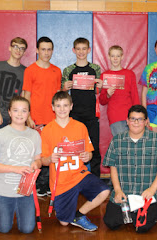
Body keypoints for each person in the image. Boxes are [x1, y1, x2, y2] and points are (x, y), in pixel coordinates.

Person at [40, 91, 110, 232]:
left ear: (71, 106)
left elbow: (89, 153)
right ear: (53, 107)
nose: (62, 109)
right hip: (61, 182)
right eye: (58, 106)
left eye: (65, 105)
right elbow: (43, 161)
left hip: (79, 175)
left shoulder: (80, 127)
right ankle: (67, 213)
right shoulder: (47, 130)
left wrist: (87, 156)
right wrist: (50, 159)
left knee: (104, 191)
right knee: (64, 223)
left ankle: (79, 215)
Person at [103, 105, 157, 233]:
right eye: (133, 119)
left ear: (146, 122)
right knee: (110, 222)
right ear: (127, 121)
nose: (136, 122)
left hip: (146, 195)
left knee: (142, 228)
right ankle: (132, 213)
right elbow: (113, 166)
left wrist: (152, 189)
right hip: (124, 194)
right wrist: (117, 190)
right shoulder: (117, 140)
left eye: (140, 119)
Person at [0, 96, 42, 233]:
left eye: (24, 111)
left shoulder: (35, 135)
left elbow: (38, 160)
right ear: (9, 112)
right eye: (16, 110)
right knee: (4, 228)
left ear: (28, 113)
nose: (20, 114)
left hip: (25, 191)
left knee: (27, 229)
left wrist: (36, 164)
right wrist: (15, 169)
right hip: (2, 191)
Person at [23, 36, 62, 196]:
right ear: (37, 50)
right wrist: (28, 116)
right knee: (36, 154)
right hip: (36, 120)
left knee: (50, 153)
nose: (46, 53)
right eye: (43, 49)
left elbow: (59, 97)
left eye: (49, 49)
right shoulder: (30, 70)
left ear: (52, 51)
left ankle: (46, 184)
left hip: (53, 121)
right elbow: (26, 95)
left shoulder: (57, 70)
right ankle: (37, 185)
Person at [62, 37, 103, 177]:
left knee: (94, 148)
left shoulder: (95, 68)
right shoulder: (68, 70)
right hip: (74, 115)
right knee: (74, 148)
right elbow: (63, 94)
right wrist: (64, 88)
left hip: (91, 115)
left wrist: (101, 86)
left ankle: (96, 179)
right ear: (74, 50)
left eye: (84, 48)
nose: (81, 52)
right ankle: (75, 177)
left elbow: (97, 91)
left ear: (89, 50)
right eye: (78, 49)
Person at [0, 37, 28, 137]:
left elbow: (23, 95)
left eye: (22, 48)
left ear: (24, 52)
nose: (18, 50)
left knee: (13, 148)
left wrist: (21, 116)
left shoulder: (25, 71)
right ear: (10, 48)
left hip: (15, 117)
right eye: (15, 47)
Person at [99, 45, 140, 136]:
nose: (115, 58)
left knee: (134, 144)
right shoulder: (105, 75)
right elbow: (102, 101)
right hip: (115, 116)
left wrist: (138, 114)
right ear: (109, 57)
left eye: (118, 56)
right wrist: (108, 95)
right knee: (122, 145)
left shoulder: (129, 74)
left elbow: (135, 95)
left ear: (122, 57)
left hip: (131, 115)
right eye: (113, 56)